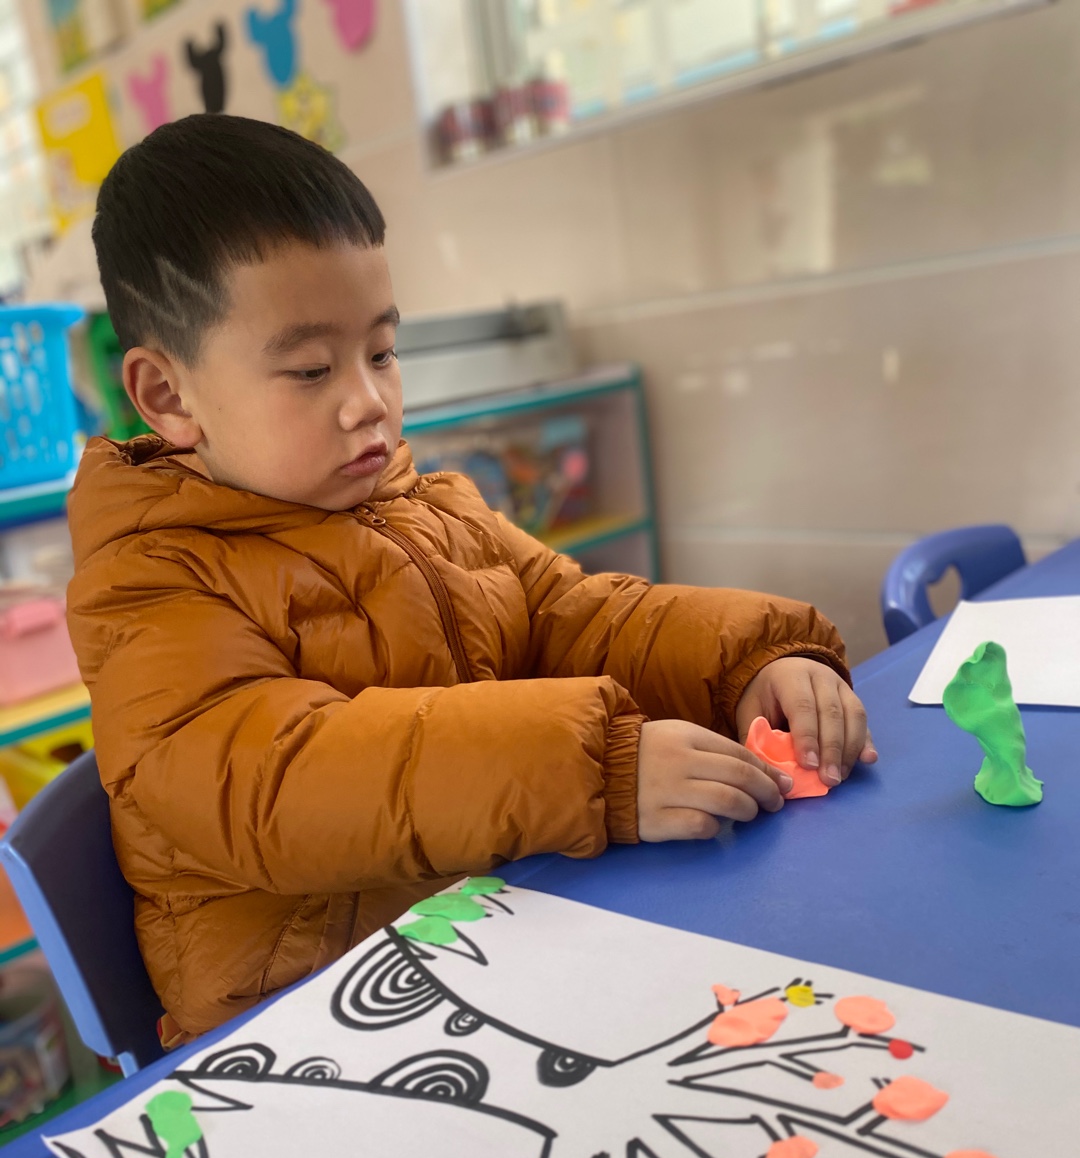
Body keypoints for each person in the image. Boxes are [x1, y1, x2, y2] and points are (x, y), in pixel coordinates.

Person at [67, 114, 876, 1049]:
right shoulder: (147, 584)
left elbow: (575, 616)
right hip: (312, 1029)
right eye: (311, 369)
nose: (369, 401)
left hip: (486, 947)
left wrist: (751, 659)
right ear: (168, 396)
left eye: (381, 352)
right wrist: (594, 769)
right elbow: (278, 778)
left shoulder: (426, 508)